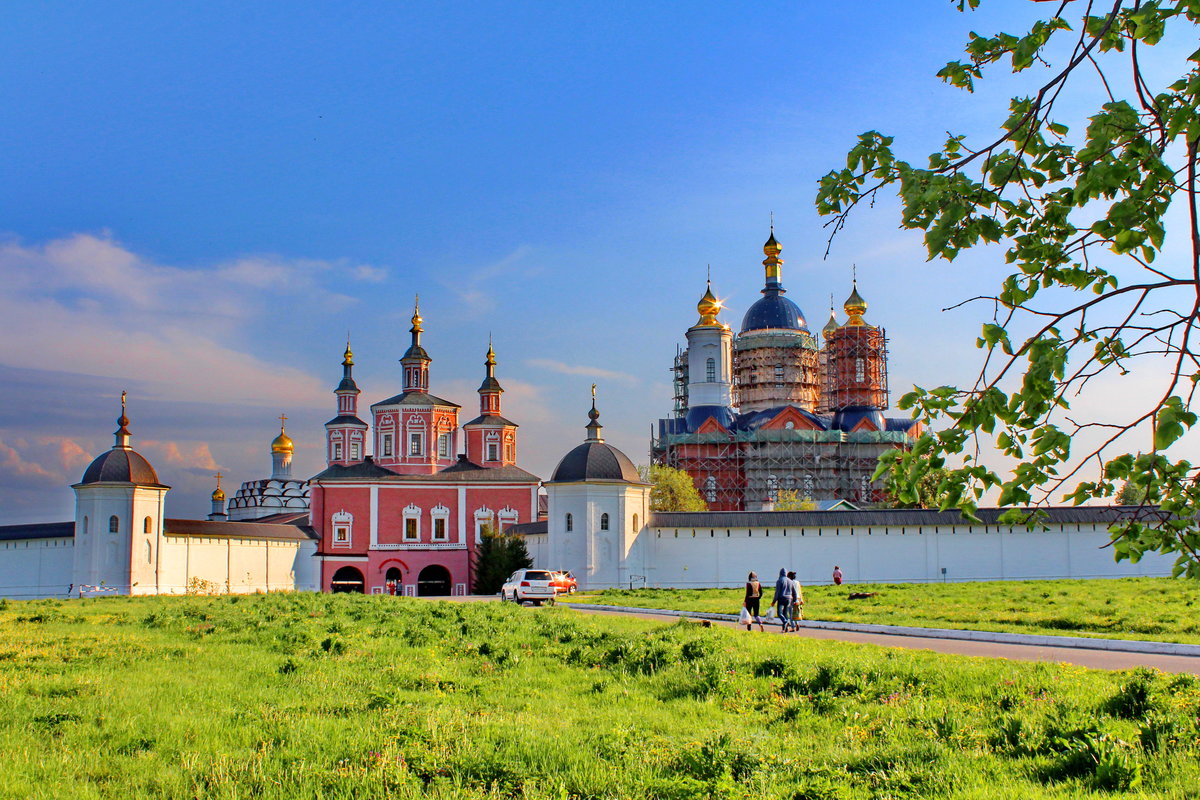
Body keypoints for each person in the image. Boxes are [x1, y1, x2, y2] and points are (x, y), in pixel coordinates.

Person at [771, 567, 794, 632]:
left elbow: (777, 592)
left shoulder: (779, 581)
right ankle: (785, 628)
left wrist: (774, 601)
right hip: (789, 599)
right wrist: (795, 600)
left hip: (781, 599)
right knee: (785, 613)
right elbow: (793, 591)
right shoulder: (790, 581)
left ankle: (785, 622)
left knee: (779, 613)